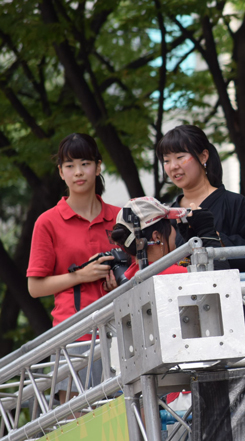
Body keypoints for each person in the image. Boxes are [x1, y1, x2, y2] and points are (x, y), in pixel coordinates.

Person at [156, 125, 245, 352]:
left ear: (203, 156)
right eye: (166, 160)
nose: (173, 167)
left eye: (180, 157)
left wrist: (215, 238)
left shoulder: (235, 204)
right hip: (185, 325)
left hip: (237, 322)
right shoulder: (165, 216)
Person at [27, 133, 121, 403]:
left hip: (121, 331)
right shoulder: (48, 222)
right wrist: (80, 276)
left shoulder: (120, 217)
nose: (78, 172)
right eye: (69, 165)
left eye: (85, 163)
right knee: (78, 423)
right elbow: (34, 287)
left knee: (128, 417)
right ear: (61, 172)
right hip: (73, 337)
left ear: (98, 166)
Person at [110, 196, 222, 279]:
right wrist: (207, 232)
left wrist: (191, 241)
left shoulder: (131, 274)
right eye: (170, 224)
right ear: (156, 236)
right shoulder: (175, 275)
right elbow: (222, 282)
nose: (174, 230)